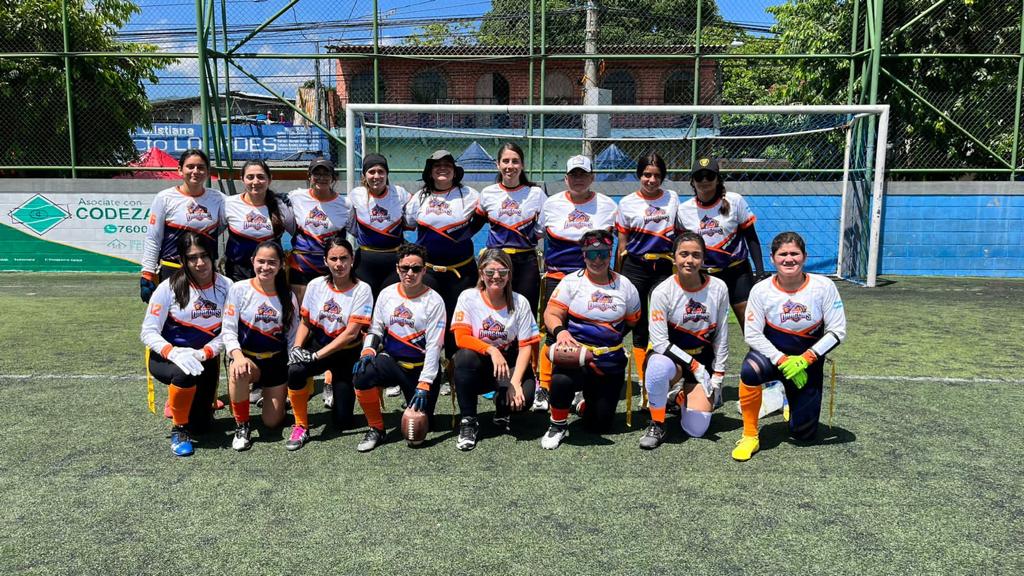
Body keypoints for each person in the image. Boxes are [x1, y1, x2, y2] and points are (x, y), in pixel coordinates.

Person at [732, 231, 847, 461]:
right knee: (750, 371)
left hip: (807, 363)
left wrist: (807, 358)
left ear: (805, 256)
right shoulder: (761, 289)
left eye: (794, 253)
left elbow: (838, 330)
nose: (789, 259)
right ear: (773, 258)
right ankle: (750, 435)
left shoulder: (823, 286)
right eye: (782, 254)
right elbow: (752, 336)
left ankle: (785, 398)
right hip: (774, 359)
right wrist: (782, 360)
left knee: (803, 434)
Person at [540, 229, 640, 449]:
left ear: (610, 252)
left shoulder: (626, 286)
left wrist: (609, 340)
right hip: (576, 355)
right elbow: (551, 313)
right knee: (561, 380)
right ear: (583, 255)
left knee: (600, 425)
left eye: (603, 254)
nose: (598, 260)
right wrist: (561, 332)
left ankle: (584, 405)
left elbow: (632, 320)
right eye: (591, 255)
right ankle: (557, 424)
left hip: (609, 359)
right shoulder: (570, 282)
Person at [535, 155, 618, 411]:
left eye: (584, 174)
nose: (578, 179)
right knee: (553, 331)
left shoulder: (607, 205)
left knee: (589, 330)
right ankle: (544, 387)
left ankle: (583, 386)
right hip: (558, 277)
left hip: (592, 280)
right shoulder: (551, 204)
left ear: (592, 177)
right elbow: (538, 235)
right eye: (574, 175)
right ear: (566, 178)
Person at [140, 232, 232, 456]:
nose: (200, 263)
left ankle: (187, 405)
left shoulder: (227, 286)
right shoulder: (168, 287)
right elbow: (148, 331)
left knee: (202, 427)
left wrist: (205, 352)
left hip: (205, 359)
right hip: (168, 359)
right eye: (192, 258)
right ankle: (178, 429)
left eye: (204, 256)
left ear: (212, 257)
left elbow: (230, 330)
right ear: (183, 261)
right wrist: (174, 352)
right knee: (184, 373)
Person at [351, 243, 447, 452]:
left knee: (418, 432)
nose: (409, 273)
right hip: (393, 361)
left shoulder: (435, 301)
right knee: (363, 373)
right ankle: (376, 428)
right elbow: (376, 328)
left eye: (415, 268)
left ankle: (413, 397)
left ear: (424, 270)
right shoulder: (386, 294)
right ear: (397, 269)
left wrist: (424, 383)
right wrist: (368, 350)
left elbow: (434, 346)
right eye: (405, 268)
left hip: (421, 368)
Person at [639, 231, 729, 449]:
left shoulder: (718, 287)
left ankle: (679, 397)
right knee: (658, 368)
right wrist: (693, 365)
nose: (690, 260)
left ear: (704, 258)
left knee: (697, 429)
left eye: (696, 255)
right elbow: (660, 342)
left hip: (703, 358)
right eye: (684, 254)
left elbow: (722, 336)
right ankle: (657, 422)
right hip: (673, 360)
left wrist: (717, 375)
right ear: (674, 257)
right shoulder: (662, 291)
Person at [405, 150, 482, 391]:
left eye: (447, 164)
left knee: (460, 320)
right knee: (430, 320)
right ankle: (427, 368)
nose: (442, 169)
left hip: (463, 271)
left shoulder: (469, 194)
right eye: (436, 165)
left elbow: (481, 219)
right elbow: (408, 224)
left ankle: (456, 370)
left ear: (455, 170)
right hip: (430, 272)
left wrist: (461, 238)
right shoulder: (419, 197)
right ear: (429, 171)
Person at [286, 235, 373, 442]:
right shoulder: (316, 285)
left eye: (344, 258)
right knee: (295, 369)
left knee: (343, 422)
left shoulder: (363, 289)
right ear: (325, 261)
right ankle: (301, 425)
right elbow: (305, 322)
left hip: (345, 353)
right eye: (333, 259)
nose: (339, 264)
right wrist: (297, 347)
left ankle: (336, 389)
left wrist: (316, 356)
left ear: (352, 260)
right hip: (320, 344)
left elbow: (351, 333)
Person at [451, 249, 541, 451]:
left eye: (502, 271)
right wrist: (491, 350)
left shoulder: (520, 302)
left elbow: (526, 345)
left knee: (523, 400)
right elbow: (460, 337)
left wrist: (515, 383)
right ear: (481, 273)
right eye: (490, 272)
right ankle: (469, 420)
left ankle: (502, 406)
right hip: (480, 363)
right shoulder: (468, 297)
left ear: (510, 274)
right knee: (463, 357)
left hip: (507, 363)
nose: (496, 277)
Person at [222, 241, 301, 451]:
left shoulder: (288, 296)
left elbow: (293, 336)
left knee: (272, 422)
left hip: (276, 361)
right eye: (261, 261)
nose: (265, 267)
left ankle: (275, 399)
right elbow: (228, 330)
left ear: (281, 265)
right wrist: (237, 357)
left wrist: (294, 364)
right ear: (252, 261)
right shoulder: (239, 289)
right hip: (248, 359)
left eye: (272, 262)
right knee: (238, 371)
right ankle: (242, 425)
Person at [676, 157, 766, 332]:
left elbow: (751, 237)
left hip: (737, 273)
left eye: (709, 176)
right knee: (706, 326)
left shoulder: (735, 201)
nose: (704, 181)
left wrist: (760, 273)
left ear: (718, 179)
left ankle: (762, 359)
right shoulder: (683, 210)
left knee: (752, 326)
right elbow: (682, 248)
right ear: (692, 182)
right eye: (699, 177)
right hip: (704, 275)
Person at [614, 152, 679, 387]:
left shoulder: (672, 198)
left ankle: (665, 373)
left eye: (657, 176)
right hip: (636, 265)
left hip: (663, 265)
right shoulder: (627, 203)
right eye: (646, 175)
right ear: (639, 175)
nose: (651, 180)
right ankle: (644, 382)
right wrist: (618, 275)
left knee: (664, 319)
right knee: (639, 323)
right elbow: (622, 244)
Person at [140, 149, 225, 303]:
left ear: (207, 172)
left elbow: (235, 220)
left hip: (204, 271)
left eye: (200, 167)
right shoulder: (165, 198)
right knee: (173, 320)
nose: (195, 171)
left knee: (205, 317)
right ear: (180, 170)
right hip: (172, 269)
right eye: (190, 166)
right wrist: (147, 272)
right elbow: (153, 238)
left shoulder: (219, 199)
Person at [477, 143, 546, 315]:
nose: (510, 166)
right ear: (498, 164)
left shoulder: (535, 193)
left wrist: (531, 237)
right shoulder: (487, 193)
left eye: (515, 161)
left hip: (526, 261)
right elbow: (476, 221)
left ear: (522, 165)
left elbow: (545, 224)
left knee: (526, 311)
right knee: (493, 311)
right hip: (496, 261)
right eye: (505, 161)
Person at [287, 157, 352, 305]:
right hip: (301, 267)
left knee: (327, 312)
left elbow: (355, 231)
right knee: (300, 313)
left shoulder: (345, 204)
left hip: (331, 269)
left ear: (333, 178)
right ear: (309, 176)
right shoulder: (295, 197)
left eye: (326, 174)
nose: (321, 178)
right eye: (317, 174)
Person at [221, 160, 294, 281]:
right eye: (250, 177)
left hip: (271, 271)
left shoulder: (281, 205)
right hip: (237, 272)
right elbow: (213, 231)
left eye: (261, 177)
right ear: (242, 179)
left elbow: (297, 235)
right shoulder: (229, 203)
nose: (255, 181)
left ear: (269, 179)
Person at [349, 153, 409, 296]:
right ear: (364, 175)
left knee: (391, 303)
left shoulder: (399, 193)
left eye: (381, 171)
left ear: (387, 174)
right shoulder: (356, 195)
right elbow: (350, 224)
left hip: (394, 260)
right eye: (371, 172)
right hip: (365, 261)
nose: (376, 176)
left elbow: (412, 217)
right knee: (365, 303)